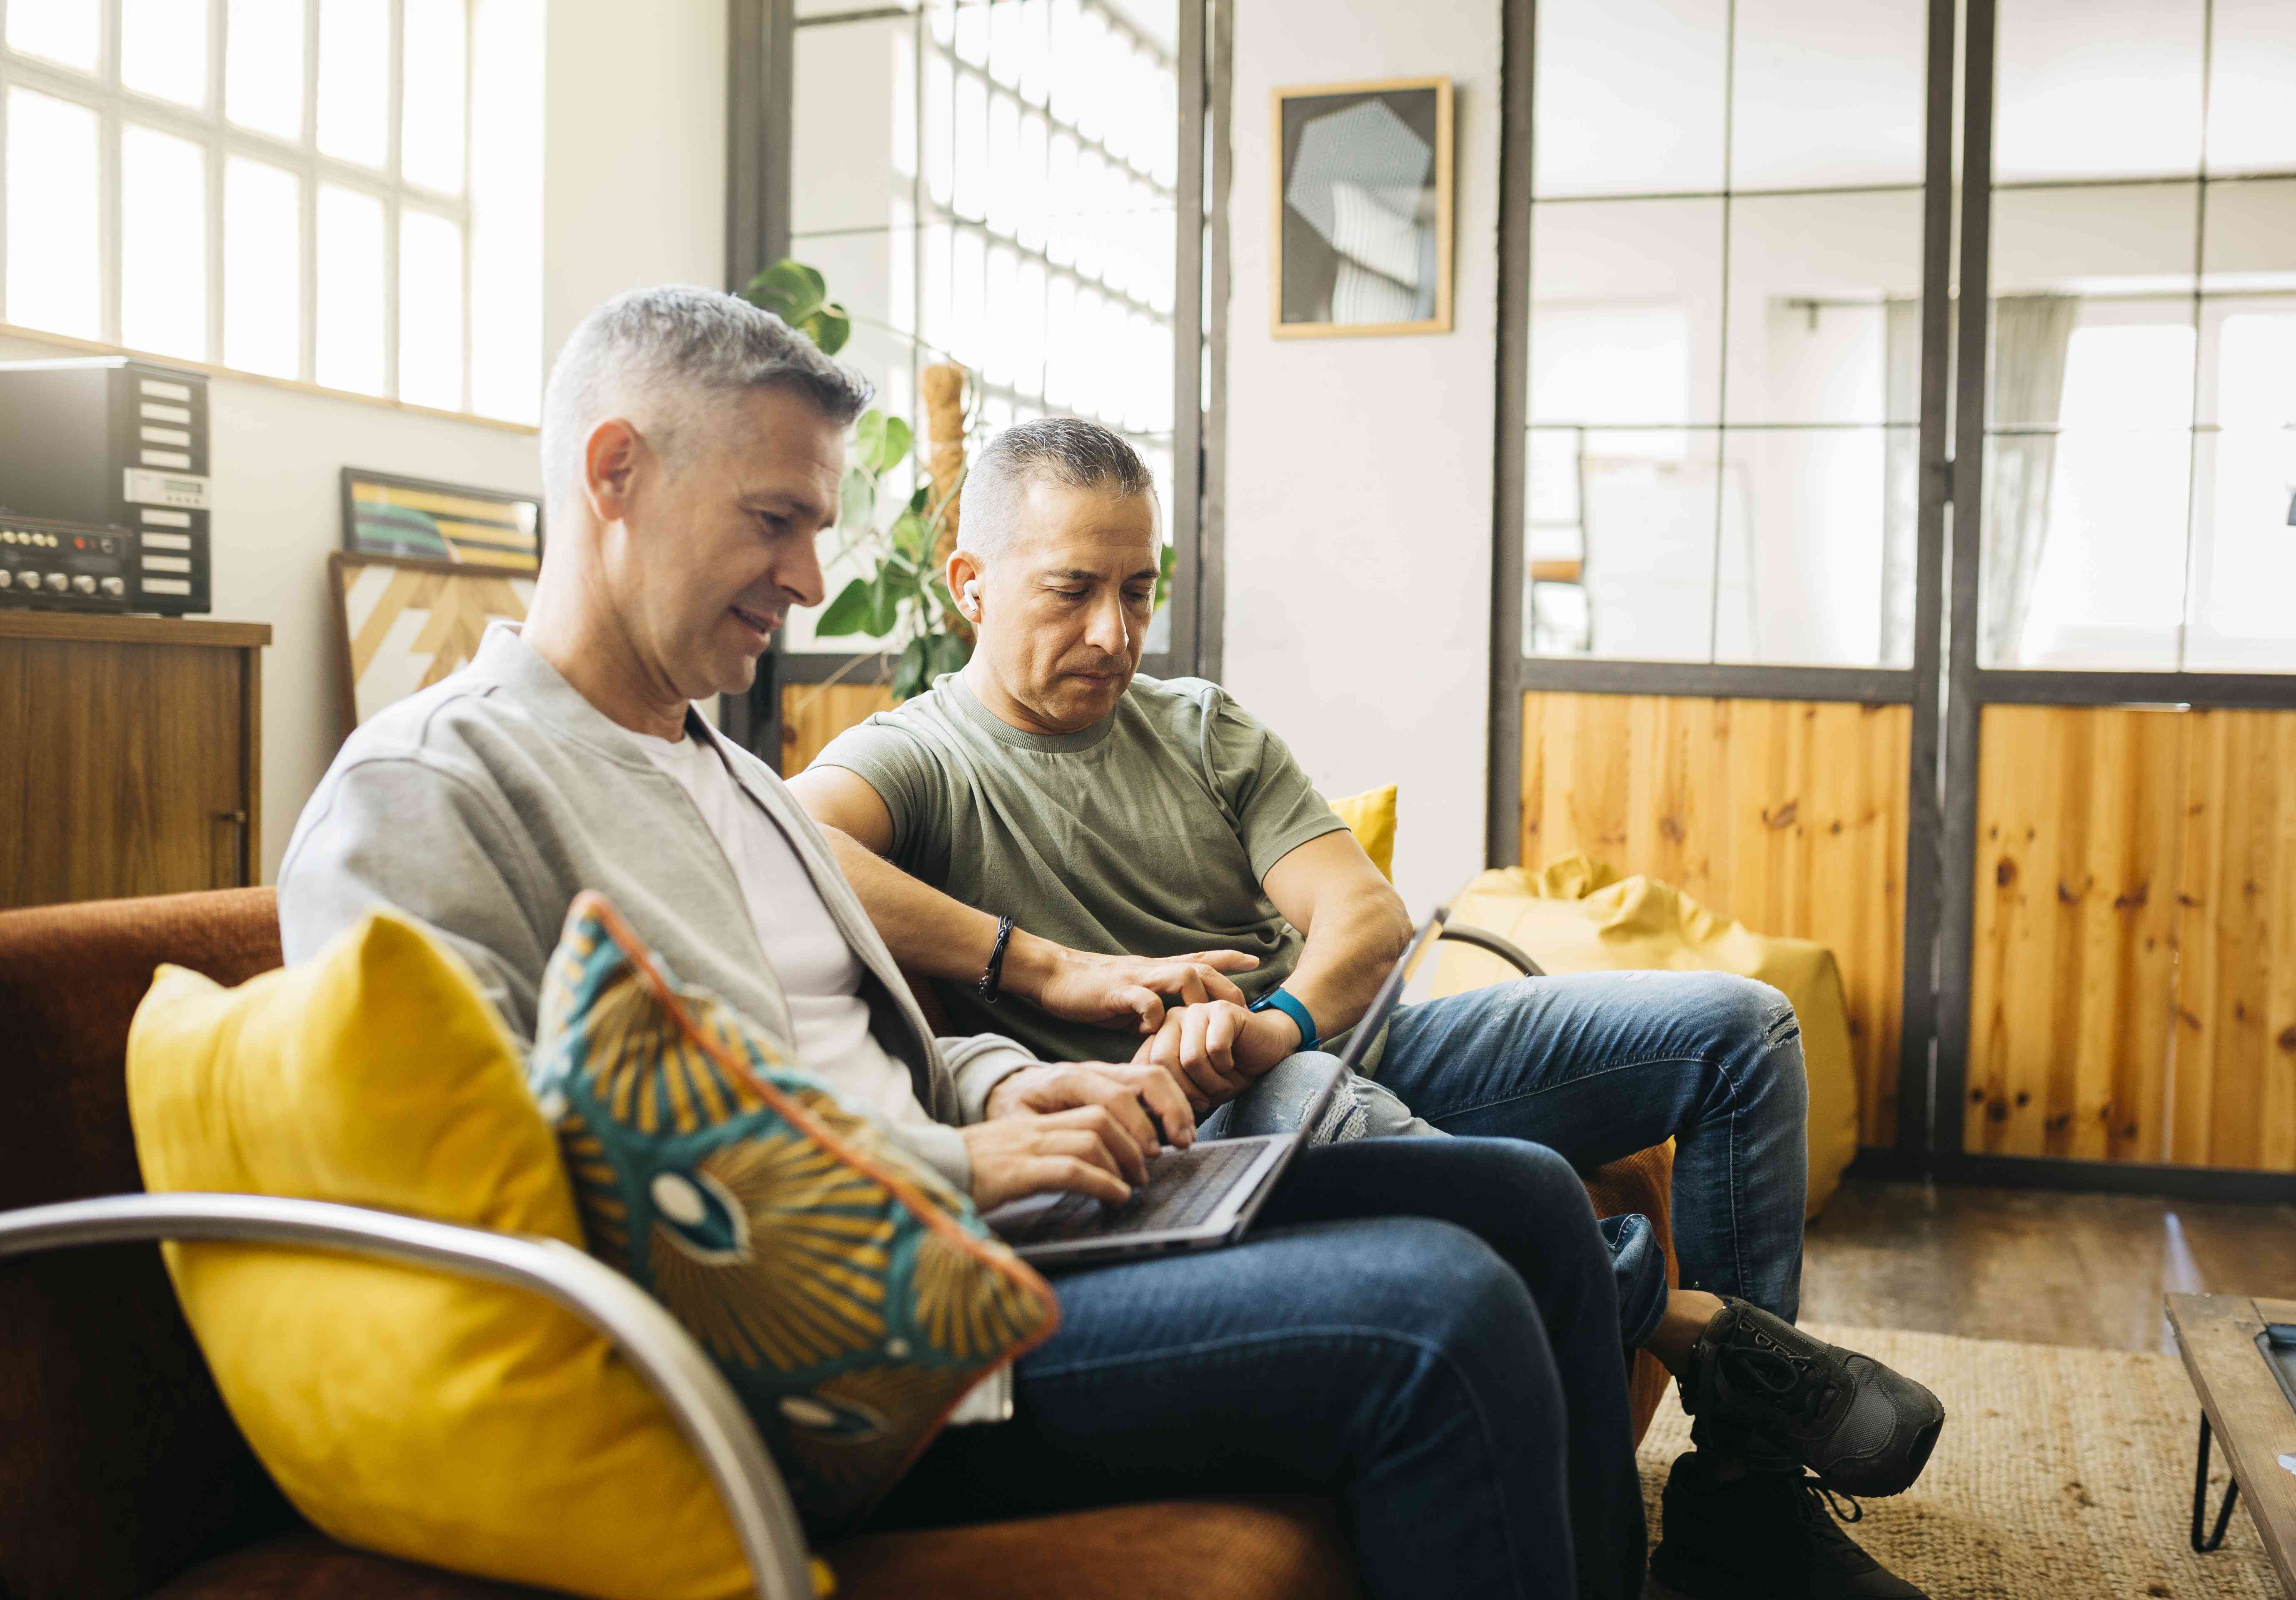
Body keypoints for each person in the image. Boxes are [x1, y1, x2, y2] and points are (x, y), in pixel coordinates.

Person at [278, 285, 1652, 1600]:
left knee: (1527, 1203)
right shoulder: (438, 787)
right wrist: (955, 1164)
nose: (810, 581)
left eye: (817, 528)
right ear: (615, 472)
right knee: (1439, 1318)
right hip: (852, 1337)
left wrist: (1008, 1088)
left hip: (982, 1214)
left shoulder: (728, 768)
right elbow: (520, 1182)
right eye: (775, 521)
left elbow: (843, 1041)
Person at [796, 417, 1947, 1600]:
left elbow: (1365, 919)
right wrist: (1041, 969)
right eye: (1071, 591)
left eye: (1138, 592)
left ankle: (1742, 1505)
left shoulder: (1200, 726)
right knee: (1299, 1098)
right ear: (970, 587)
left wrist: (1274, 1022)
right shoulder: (920, 758)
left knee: (1739, 1030)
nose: (1115, 633)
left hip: (1337, 1036)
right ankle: (1684, 1322)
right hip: (1213, 1121)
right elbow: (785, 840)